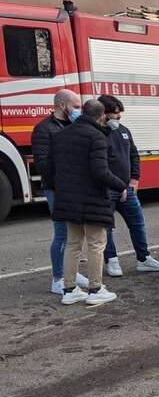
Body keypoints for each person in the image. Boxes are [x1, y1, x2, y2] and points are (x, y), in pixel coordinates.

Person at [45, 99, 127, 305]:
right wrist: (120, 186)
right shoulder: (97, 137)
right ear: (101, 117)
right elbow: (100, 172)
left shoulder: (60, 136)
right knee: (96, 244)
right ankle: (95, 290)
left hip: (67, 199)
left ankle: (69, 290)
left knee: (72, 244)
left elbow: (49, 169)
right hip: (91, 200)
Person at [97, 95, 159, 277]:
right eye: (115, 117)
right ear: (103, 115)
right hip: (106, 189)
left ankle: (144, 259)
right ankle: (111, 261)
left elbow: (134, 156)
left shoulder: (124, 131)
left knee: (137, 222)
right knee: (106, 227)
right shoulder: (96, 134)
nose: (118, 120)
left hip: (126, 189)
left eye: (120, 116)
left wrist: (134, 178)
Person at [31, 89, 89, 295]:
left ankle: (70, 272)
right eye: (75, 106)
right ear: (62, 105)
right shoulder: (44, 129)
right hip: (57, 189)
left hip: (76, 188)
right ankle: (58, 278)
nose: (78, 111)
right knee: (62, 233)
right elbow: (43, 164)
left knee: (76, 234)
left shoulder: (76, 126)